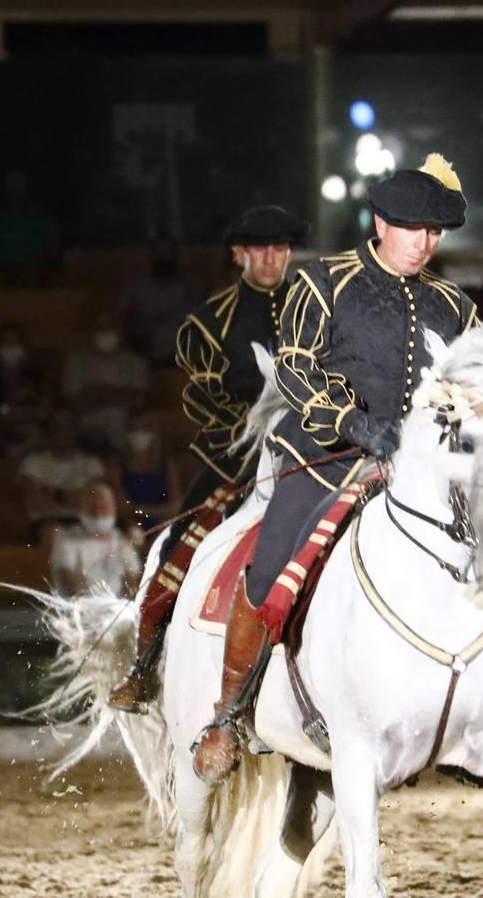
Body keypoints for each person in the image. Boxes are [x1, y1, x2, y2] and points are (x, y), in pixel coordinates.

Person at [190, 155, 479, 784]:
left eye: (435, 232)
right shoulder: (322, 281)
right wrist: (353, 422)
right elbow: (294, 367)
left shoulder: (454, 305)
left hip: (421, 467)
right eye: (412, 229)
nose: (424, 244)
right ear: (380, 222)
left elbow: (471, 382)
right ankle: (228, 712)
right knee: (270, 569)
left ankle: (477, 707)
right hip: (325, 456)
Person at [107, 204, 309, 713]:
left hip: (310, 444)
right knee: (182, 537)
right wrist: (253, 437)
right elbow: (201, 399)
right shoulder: (208, 321)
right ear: (239, 254)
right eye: (261, 248)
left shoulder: (313, 309)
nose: (272, 258)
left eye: (281, 248)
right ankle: (144, 662)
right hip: (236, 456)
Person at [61, 312, 149, 454]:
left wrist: (96, 391)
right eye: (101, 327)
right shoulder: (76, 362)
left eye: (111, 327)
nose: (106, 331)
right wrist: (122, 395)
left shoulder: (136, 362)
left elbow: (140, 400)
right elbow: (75, 403)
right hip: (85, 441)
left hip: (124, 441)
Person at [17, 408, 107, 543]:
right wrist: (74, 496)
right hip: (46, 523)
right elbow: (35, 501)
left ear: (76, 428)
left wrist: (52, 493)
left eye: (68, 425)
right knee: (53, 532)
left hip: (85, 522)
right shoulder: (33, 463)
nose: (62, 430)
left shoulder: (92, 464)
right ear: (48, 430)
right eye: (57, 425)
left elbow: (93, 501)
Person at [114, 237, 200, 367]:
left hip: (180, 346)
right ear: (152, 256)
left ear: (175, 255)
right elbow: (118, 316)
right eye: (159, 253)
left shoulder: (190, 286)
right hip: (142, 344)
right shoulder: (137, 285)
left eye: (167, 253)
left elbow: (199, 317)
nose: (163, 258)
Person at [49, 482, 140, 597]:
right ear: (81, 509)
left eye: (103, 508)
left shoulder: (122, 540)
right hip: (80, 608)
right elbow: (67, 579)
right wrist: (92, 605)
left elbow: (132, 579)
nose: (98, 514)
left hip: (116, 608)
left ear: (113, 509)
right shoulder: (66, 540)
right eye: (92, 508)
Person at [0, 321, 51, 456]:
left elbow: (44, 411)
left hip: (30, 434)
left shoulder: (38, 375)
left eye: (15, 341)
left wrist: (6, 411)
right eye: (7, 342)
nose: (11, 346)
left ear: (24, 345)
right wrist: (11, 410)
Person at [0, 168, 61, 285]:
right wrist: (9, 271)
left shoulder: (45, 221)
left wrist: (35, 271)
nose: (15, 187)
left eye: (19, 181)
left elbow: (53, 256)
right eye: (11, 181)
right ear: (3, 186)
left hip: (38, 284)